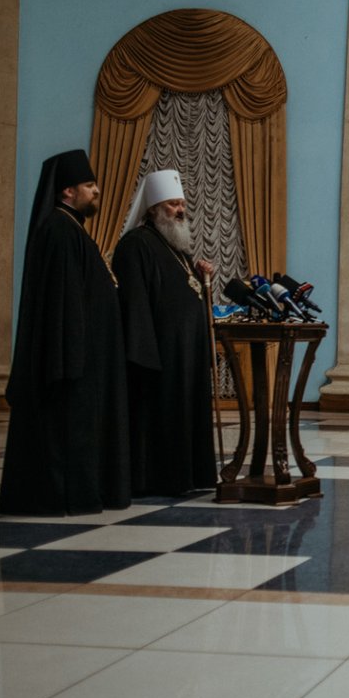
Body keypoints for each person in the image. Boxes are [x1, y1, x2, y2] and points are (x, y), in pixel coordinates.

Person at [0, 149, 131, 517]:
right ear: (67, 191)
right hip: (73, 361)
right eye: (89, 185)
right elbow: (64, 302)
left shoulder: (71, 228)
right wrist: (73, 359)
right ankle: (71, 498)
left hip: (84, 358)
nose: (97, 190)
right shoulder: (59, 231)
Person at [112, 169, 218, 498]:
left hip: (186, 351)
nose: (180, 210)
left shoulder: (178, 249)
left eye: (182, 204)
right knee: (162, 416)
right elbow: (134, 303)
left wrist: (204, 280)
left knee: (187, 414)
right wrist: (144, 353)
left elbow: (184, 293)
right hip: (160, 353)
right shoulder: (135, 244)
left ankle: (190, 476)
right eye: (173, 204)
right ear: (154, 208)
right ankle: (159, 479)